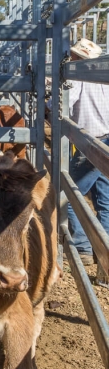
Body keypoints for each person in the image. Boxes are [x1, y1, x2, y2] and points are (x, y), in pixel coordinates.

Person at [65, 38, 109, 266]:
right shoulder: (103, 77)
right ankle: (104, 252)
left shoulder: (78, 76)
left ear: (79, 58)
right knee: (104, 198)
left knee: (69, 193)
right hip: (107, 141)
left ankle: (82, 245)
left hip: (90, 143)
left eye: (74, 55)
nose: (71, 58)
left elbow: (62, 105)